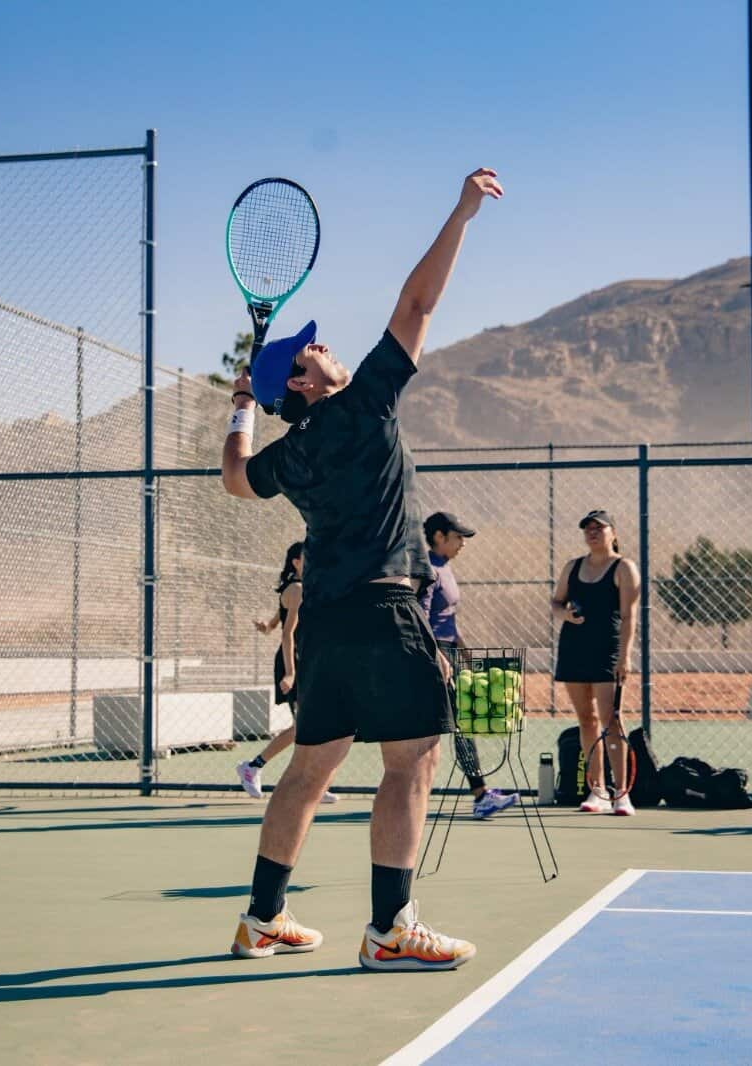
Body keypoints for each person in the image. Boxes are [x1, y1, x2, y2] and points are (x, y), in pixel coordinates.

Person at [221, 167, 503, 970]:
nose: (323, 344)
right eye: (311, 349)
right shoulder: (362, 404)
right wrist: (461, 213)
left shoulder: (290, 455)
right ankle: (391, 929)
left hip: (328, 625)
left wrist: (242, 406)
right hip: (383, 612)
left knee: (311, 767)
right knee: (413, 758)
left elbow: (235, 478)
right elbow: (417, 306)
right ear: (304, 382)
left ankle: (261, 919)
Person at [421, 510, 518, 821]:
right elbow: (421, 618)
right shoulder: (427, 569)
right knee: (451, 725)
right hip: (435, 655)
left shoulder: (444, 567)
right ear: (439, 537)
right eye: (457, 536)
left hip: (448, 652)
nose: (463, 542)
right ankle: (479, 796)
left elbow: (447, 617)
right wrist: (438, 656)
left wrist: (464, 652)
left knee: (456, 724)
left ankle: (478, 794)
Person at [550, 509, 642, 816]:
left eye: (599, 528)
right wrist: (564, 614)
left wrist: (624, 656)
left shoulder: (624, 568)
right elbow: (556, 602)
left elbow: (629, 616)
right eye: (587, 528)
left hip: (607, 652)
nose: (592, 532)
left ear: (613, 533)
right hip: (574, 650)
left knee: (610, 720)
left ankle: (622, 793)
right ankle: (598, 790)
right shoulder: (573, 566)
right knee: (586, 720)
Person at [238, 542, 338, 804]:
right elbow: (287, 634)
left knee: (313, 724)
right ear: (296, 562)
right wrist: (291, 673)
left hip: (308, 661)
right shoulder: (298, 589)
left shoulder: (301, 588)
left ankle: (312, 782)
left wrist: (266, 626)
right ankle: (253, 767)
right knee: (304, 726)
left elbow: (277, 622)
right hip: (293, 662)